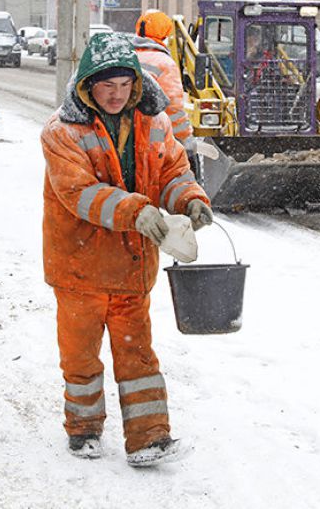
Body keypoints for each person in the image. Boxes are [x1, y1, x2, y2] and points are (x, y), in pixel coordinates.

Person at [40, 32, 213, 466]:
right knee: (80, 355)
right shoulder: (62, 132)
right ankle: (83, 429)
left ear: (136, 83)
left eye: (124, 85)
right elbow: (78, 192)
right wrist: (135, 211)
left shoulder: (154, 123)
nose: (116, 95)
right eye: (106, 86)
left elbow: (172, 169)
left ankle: (150, 437)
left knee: (137, 355)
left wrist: (189, 198)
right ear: (87, 86)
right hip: (79, 266)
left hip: (133, 266)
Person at [132, 9, 203, 172]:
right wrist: (186, 140)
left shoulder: (128, 57)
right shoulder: (164, 64)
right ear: (165, 34)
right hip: (154, 140)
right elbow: (173, 109)